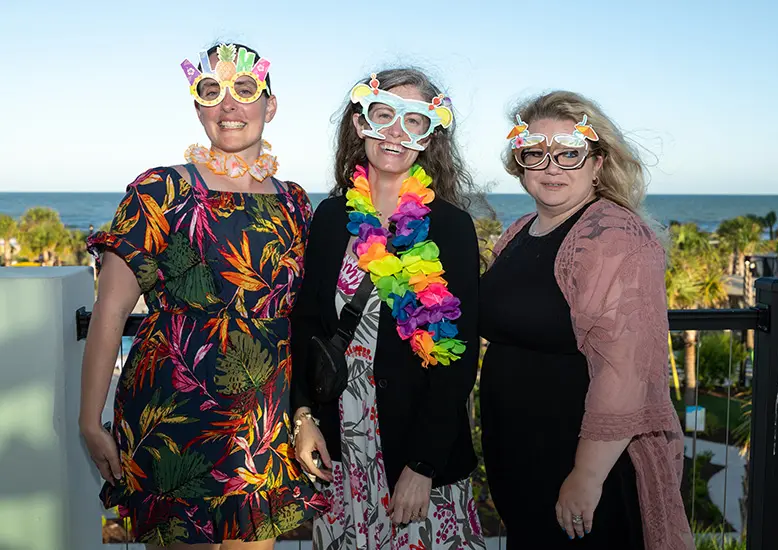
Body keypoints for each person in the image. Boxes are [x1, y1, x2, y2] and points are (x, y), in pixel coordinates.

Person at [80, 42, 327, 549]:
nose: (229, 104)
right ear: (198, 107)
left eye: (245, 89)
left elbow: (301, 320)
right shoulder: (160, 191)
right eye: (211, 90)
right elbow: (110, 310)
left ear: (270, 106)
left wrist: (303, 416)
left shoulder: (297, 202)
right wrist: (89, 420)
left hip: (263, 427)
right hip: (172, 418)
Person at [480, 91, 693, 549]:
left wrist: (586, 475)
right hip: (521, 454)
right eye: (536, 153)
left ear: (597, 163)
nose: (552, 166)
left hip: (580, 463)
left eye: (569, 154)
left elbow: (625, 371)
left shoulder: (613, 235)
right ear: (520, 163)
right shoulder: (520, 230)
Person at [289, 68, 485, 549]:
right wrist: (303, 416)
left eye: (413, 120)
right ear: (360, 125)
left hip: (416, 446)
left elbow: (456, 359)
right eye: (383, 115)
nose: (395, 132)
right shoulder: (333, 217)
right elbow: (308, 324)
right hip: (343, 441)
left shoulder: (452, 227)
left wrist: (423, 465)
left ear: (429, 135)